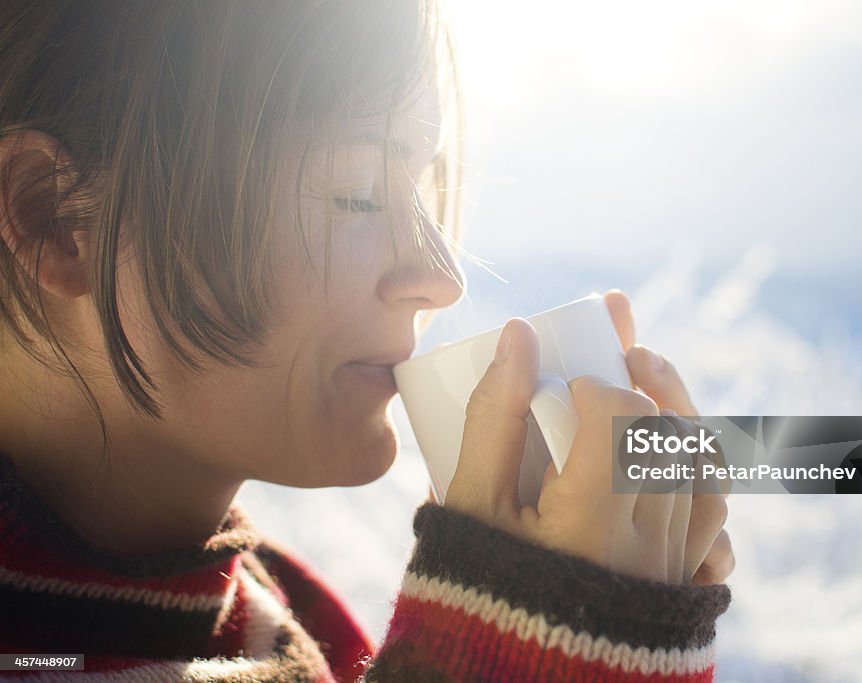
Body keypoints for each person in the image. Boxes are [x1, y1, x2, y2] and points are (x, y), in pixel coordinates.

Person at [0, 1, 733, 680]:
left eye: (422, 188)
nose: (441, 277)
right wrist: (528, 642)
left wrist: (612, 620)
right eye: (356, 192)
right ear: (55, 218)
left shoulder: (299, 623)